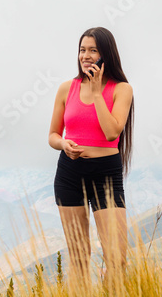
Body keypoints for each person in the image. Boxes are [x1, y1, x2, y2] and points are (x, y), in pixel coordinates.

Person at [48, 27, 134, 293]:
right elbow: (52, 135)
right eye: (82, 50)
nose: (85, 56)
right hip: (69, 172)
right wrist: (64, 144)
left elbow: (112, 132)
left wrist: (97, 94)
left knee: (117, 259)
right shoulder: (66, 88)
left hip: (105, 173)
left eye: (92, 50)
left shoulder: (122, 89)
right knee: (79, 257)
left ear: (106, 54)